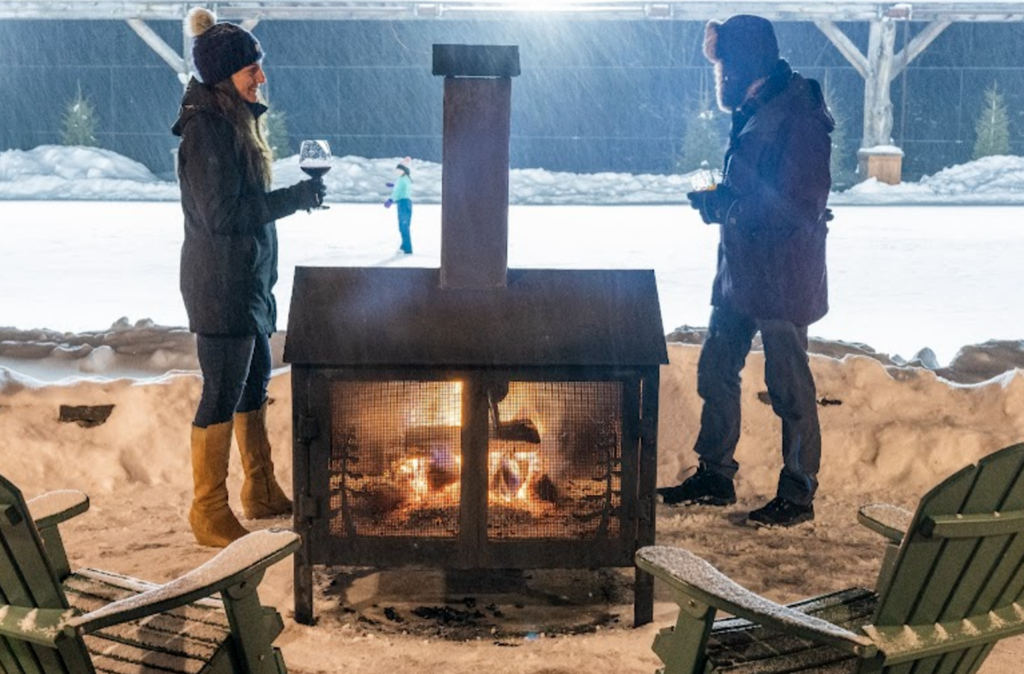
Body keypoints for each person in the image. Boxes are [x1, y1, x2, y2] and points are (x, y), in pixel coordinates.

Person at [659, 15, 834, 527]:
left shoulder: (798, 113)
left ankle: (798, 493)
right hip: (742, 269)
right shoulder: (759, 106)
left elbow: (801, 202)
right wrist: (725, 200)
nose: (720, 77)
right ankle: (715, 474)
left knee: (789, 385)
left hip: (780, 273)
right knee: (716, 368)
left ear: (742, 62)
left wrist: (727, 208)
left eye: (723, 64)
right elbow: (759, 184)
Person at [172, 7, 326, 547]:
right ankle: (207, 511)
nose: (261, 77)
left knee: (254, 384)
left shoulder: (232, 120)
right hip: (220, 287)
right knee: (221, 391)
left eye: (259, 67)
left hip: (247, 283)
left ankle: (258, 489)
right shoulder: (208, 131)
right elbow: (225, 215)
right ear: (222, 78)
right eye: (250, 70)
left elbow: (242, 207)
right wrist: (293, 198)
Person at [384, 158, 414, 254]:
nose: (396, 172)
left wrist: (390, 200)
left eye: (398, 170)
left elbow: (397, 192)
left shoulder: (402, 179)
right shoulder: (407, 178)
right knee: (405, 225)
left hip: (403, 203)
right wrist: (393, 185)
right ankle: (404, 245)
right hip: (408, 203)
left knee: (403, 226)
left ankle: (407, 248)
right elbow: (402, 187)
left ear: (403, 170)